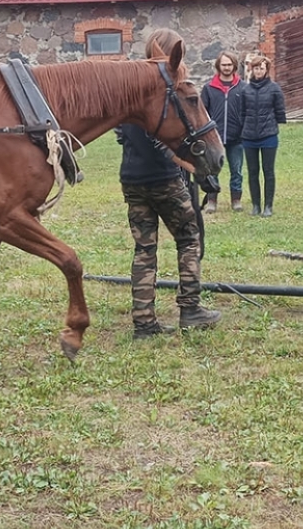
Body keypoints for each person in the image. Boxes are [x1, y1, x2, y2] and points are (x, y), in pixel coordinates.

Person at [116, 29, 221, 338]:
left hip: (132, 177)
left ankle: (144, 323)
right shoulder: (164, 88)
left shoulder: (128, 86)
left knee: (144, 249)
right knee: (189, 237)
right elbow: (162, 143)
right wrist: (194, 167)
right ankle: (191, 309)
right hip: (163, 178)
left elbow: (122, 133)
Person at [198, 52, 247, 213]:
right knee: (212, 170)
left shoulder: (243, 87)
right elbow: (202, 112)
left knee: (237, 171)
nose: (226, 67)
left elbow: (247, 111)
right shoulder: (208, 88)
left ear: (234, 66)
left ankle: (236, 200)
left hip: (236, 137)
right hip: (213, 138)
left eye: (229, 64)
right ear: (219, 66)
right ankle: (212, 201)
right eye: (223, 64)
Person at [239, 54, 286, 217]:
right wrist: (244, 129)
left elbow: (280, 110)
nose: (258, 71)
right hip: (249, 136)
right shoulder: (245, 90)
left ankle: (268, 206)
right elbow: (242, 113)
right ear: (252, 70)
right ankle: (256, 205)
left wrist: (273, 125)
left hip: (268, 136)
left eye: (261, 68)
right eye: (256, 68)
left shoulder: (274, 88)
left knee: (268, 171)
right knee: (253, 171)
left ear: (266, 70)